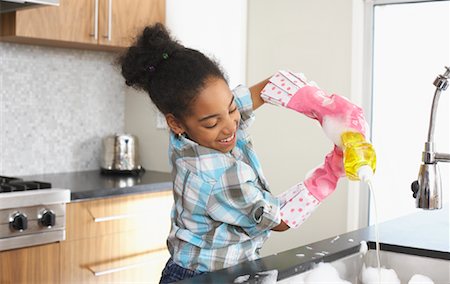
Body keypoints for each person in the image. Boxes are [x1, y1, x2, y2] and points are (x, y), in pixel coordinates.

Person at [118, 23, 370, 283]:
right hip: (204, 277)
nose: (230, 126)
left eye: (230, 108)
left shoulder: (187, 132)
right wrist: (331, 170)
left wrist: (320, 104)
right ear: (176, 123)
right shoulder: (220, 177)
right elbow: (280, 220)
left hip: (200, 269)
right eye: (212, 123)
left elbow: (261, 92)